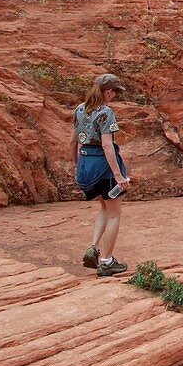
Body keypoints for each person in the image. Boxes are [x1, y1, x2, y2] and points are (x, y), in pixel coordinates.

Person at [72, 73, 131, 277]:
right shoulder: (105, 112)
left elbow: (73, 142)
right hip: (104, 169)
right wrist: (118, 175)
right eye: (115, 91)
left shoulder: (79, 109)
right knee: (115, 214)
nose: (115, 95)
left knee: (104, 208)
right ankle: (107, 261)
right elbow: (107, 145)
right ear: (108, 91)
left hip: (86, 163)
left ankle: (93, 247)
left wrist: (78, 164)